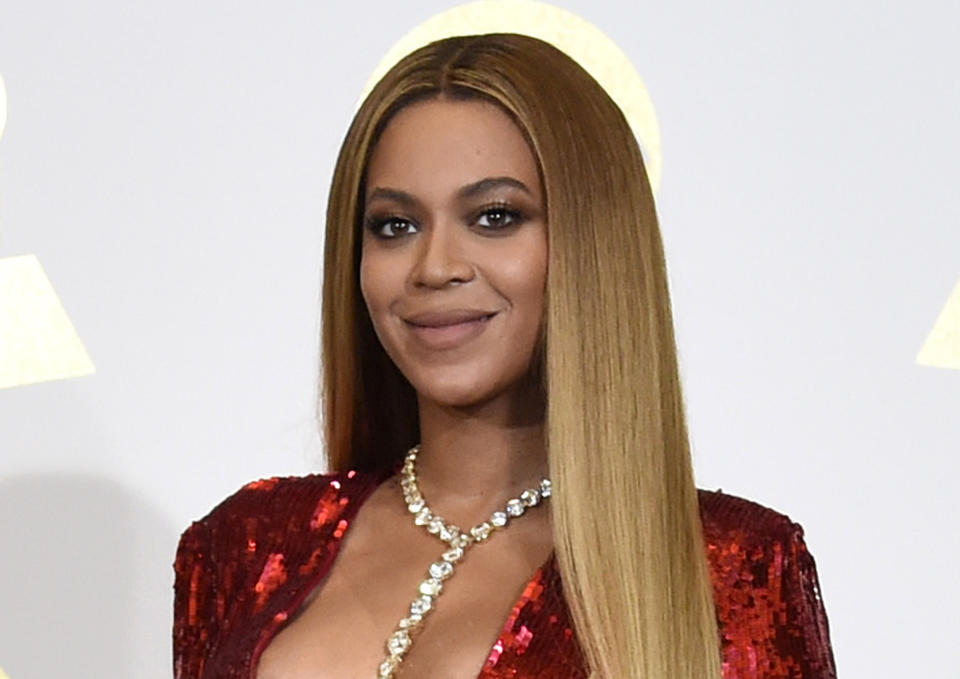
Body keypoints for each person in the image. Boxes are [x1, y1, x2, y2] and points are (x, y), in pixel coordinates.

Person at [173, 33, 837, 679]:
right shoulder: (243, 547)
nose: (434, 267)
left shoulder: (732, 567)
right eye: (395, 225)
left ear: (590, 244)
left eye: (494, 216)